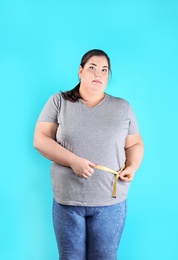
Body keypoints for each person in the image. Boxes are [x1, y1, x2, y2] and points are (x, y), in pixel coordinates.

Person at [33, 49, 144, 260]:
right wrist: (73, 161)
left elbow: (135, 144)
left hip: (110, 203)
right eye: (92, 68)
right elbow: (40, 140)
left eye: (104, 70)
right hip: (68, 202)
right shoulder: (59, 102)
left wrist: (132, 166)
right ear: (80, 71)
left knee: (104, 257)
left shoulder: (122, 107)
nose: (98, 74)